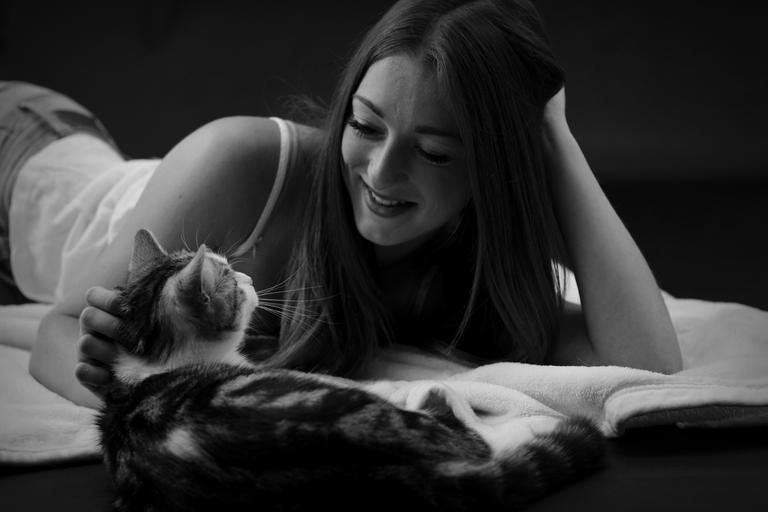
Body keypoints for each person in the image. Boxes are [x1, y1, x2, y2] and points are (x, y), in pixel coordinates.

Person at [2, 0, 682, 409]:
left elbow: (647, 364)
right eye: (364, 125)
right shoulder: (242, 164)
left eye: (435, 153)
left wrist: (552, 133)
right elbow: (59, 333)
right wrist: (133, 395)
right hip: (23, 163)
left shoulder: (461, 275)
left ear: (493, 168)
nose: (381, 174)